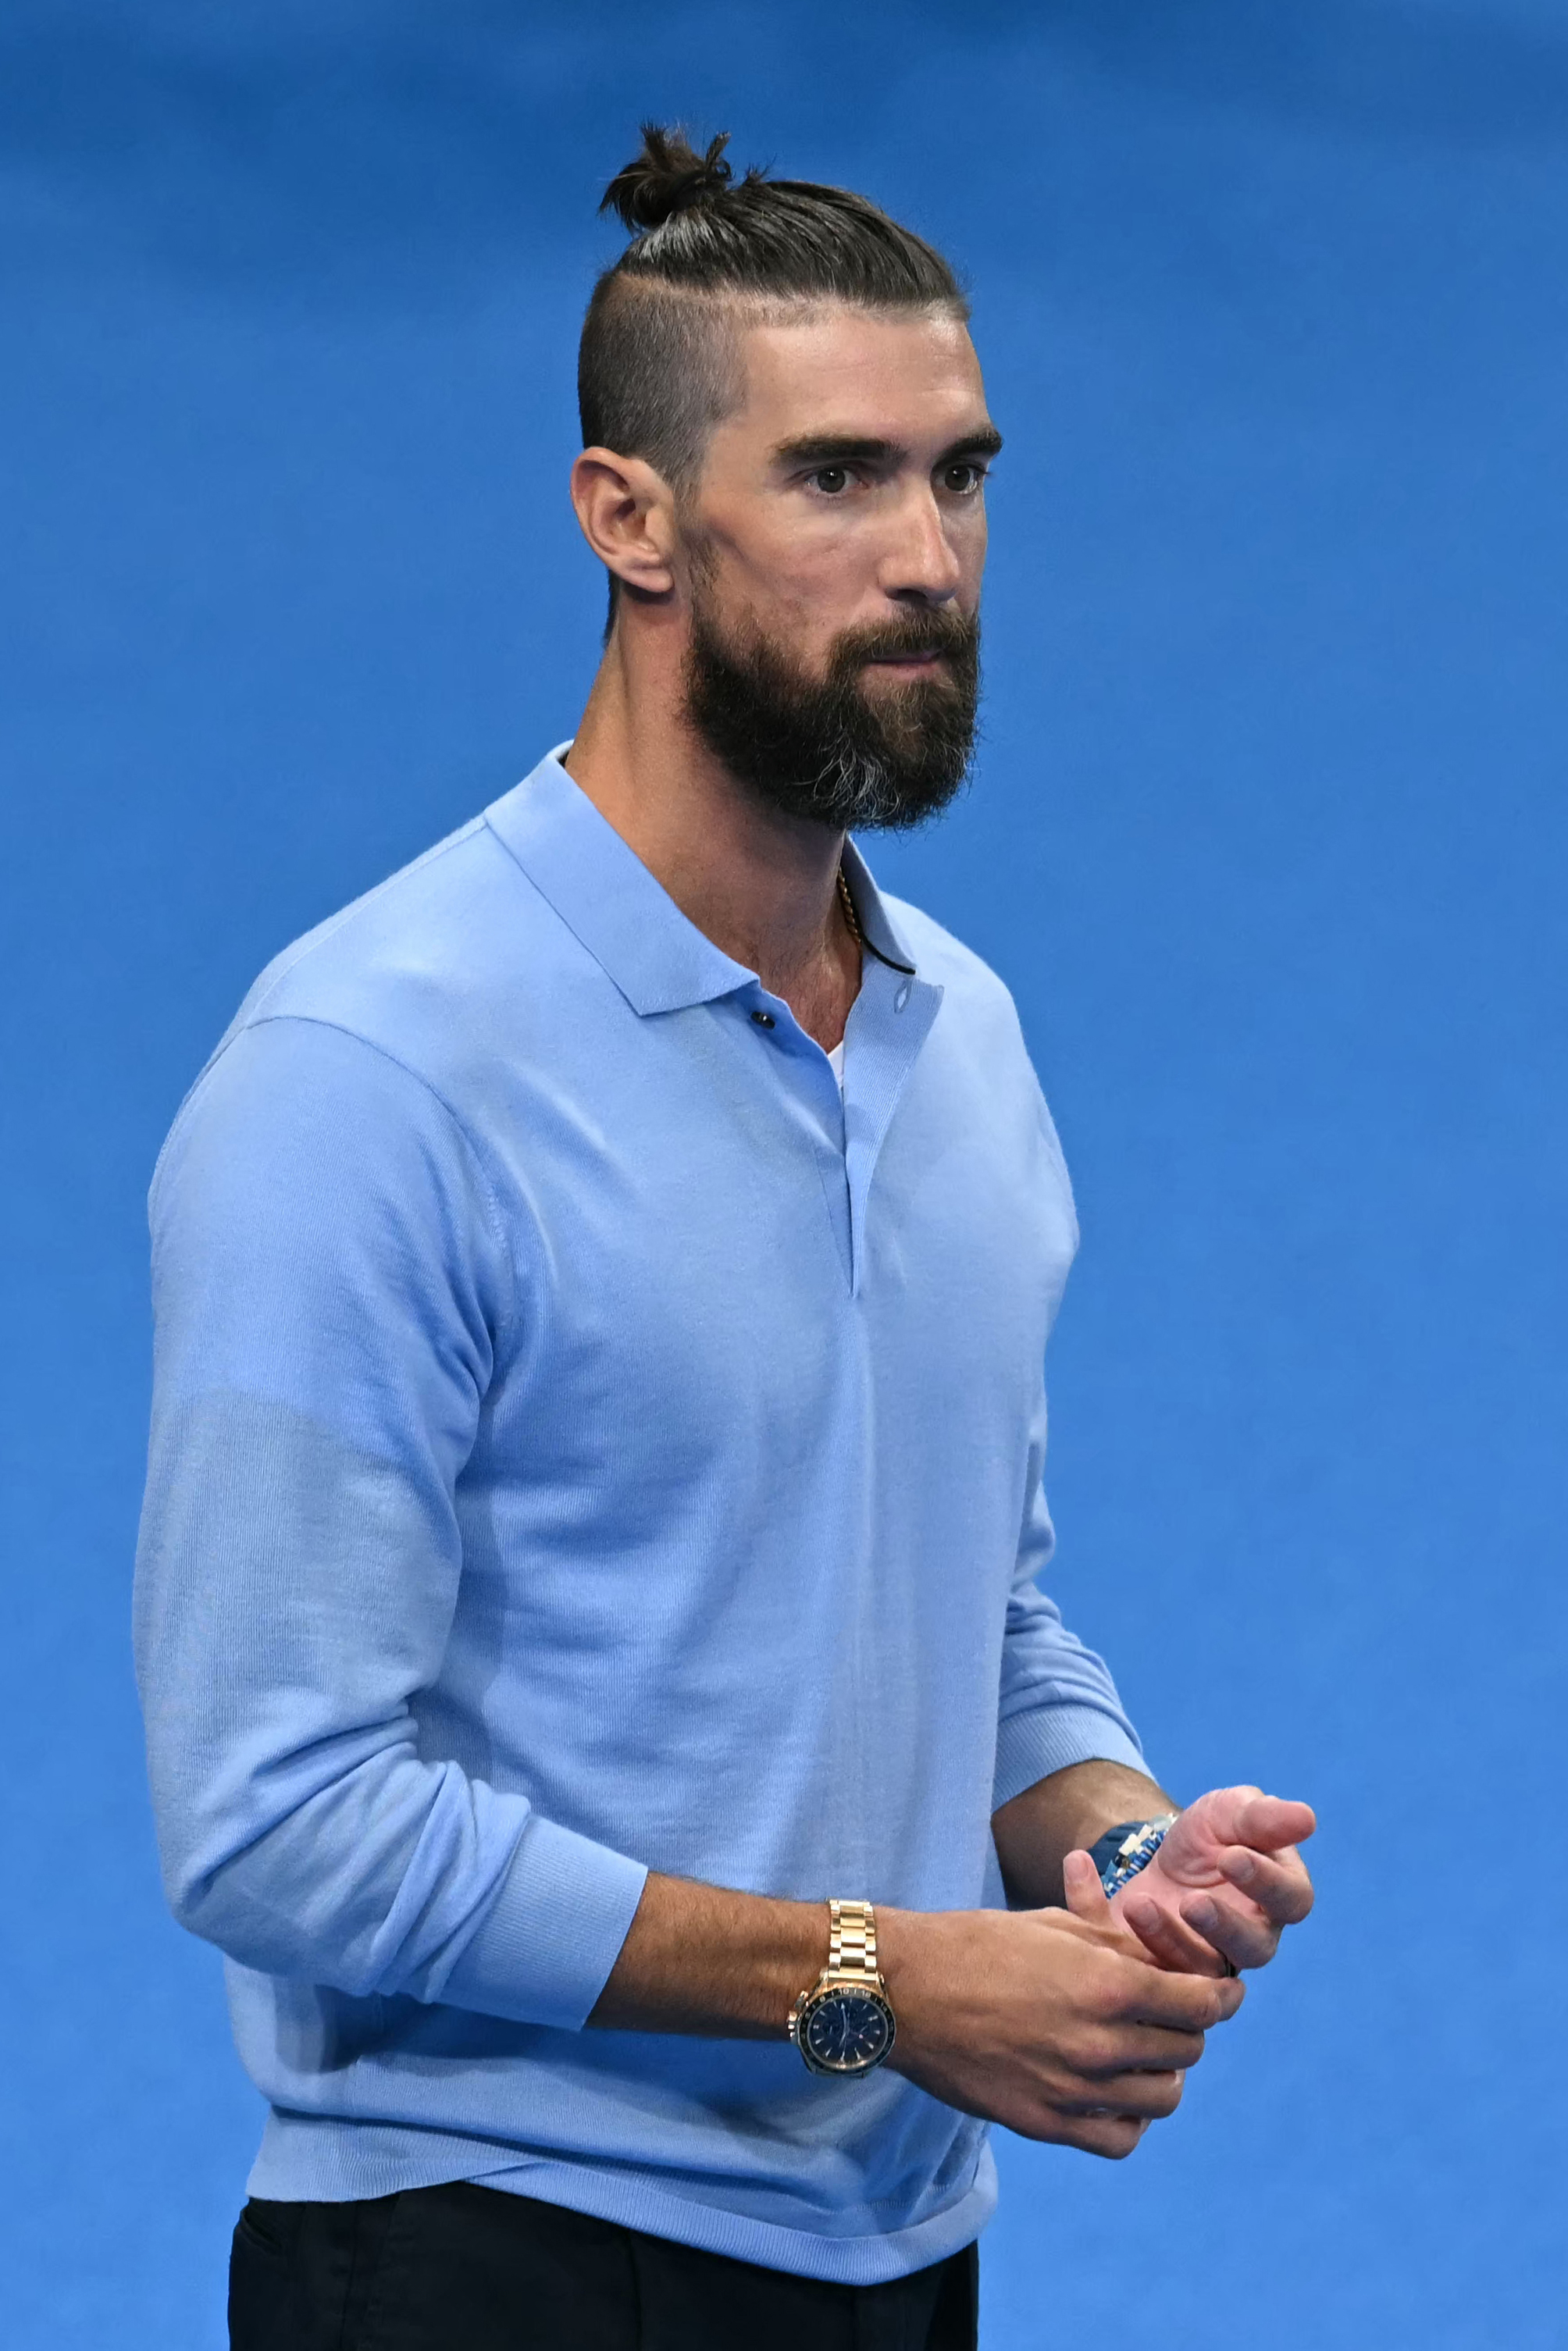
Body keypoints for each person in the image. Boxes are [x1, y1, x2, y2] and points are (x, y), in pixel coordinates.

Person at [134, 126, 1315, 2351]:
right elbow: (277, 1823)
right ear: (629, 518)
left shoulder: (966, 1041)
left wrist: (1118, 1849)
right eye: (843, 480)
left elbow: (980, 1611)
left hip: (897, 2263)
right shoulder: (365, 1079)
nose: (933, 559)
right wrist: (883, 1983)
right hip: (487, 2262)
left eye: (963, 478)